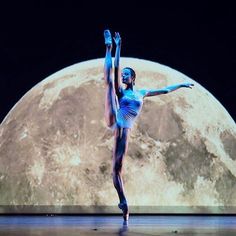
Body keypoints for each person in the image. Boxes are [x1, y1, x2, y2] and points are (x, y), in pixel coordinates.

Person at [103, 29, 194, 223]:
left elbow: (165, 90)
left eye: (127, 75)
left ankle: (123, 203)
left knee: (117, 171)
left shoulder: (142, 93)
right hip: (119, 127)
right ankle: (107, 47)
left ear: (133, 78)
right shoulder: (122, 93)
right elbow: (116, 69)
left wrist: (182, 84)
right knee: (109, 81)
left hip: (125, 130)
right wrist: (118, 47)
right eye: (124, 76)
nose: (124, 77)